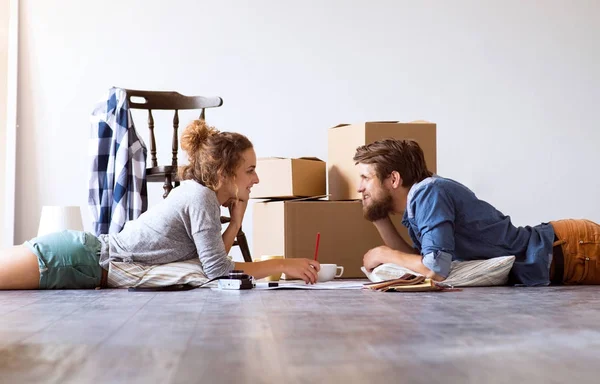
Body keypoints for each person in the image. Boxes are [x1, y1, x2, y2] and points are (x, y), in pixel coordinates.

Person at [0, 120, 320, 290]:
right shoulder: (201, 197)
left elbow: (210, 263)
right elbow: (218, 271)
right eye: (250, 170)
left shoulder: (200, 195)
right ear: (224, 174)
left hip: (82, 260)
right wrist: (280, 263)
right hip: (77, 259)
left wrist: (235, 223)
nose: (257, 179)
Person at [354, 138, 600, 286]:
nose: (359, 187)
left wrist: (383, 253)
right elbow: (419, 261)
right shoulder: (420, 203)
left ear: (393, 179)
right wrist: (379, 219)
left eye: (366, 178)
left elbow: (435, 269)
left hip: (573, 249)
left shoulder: (429, 193)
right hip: (562, 255)